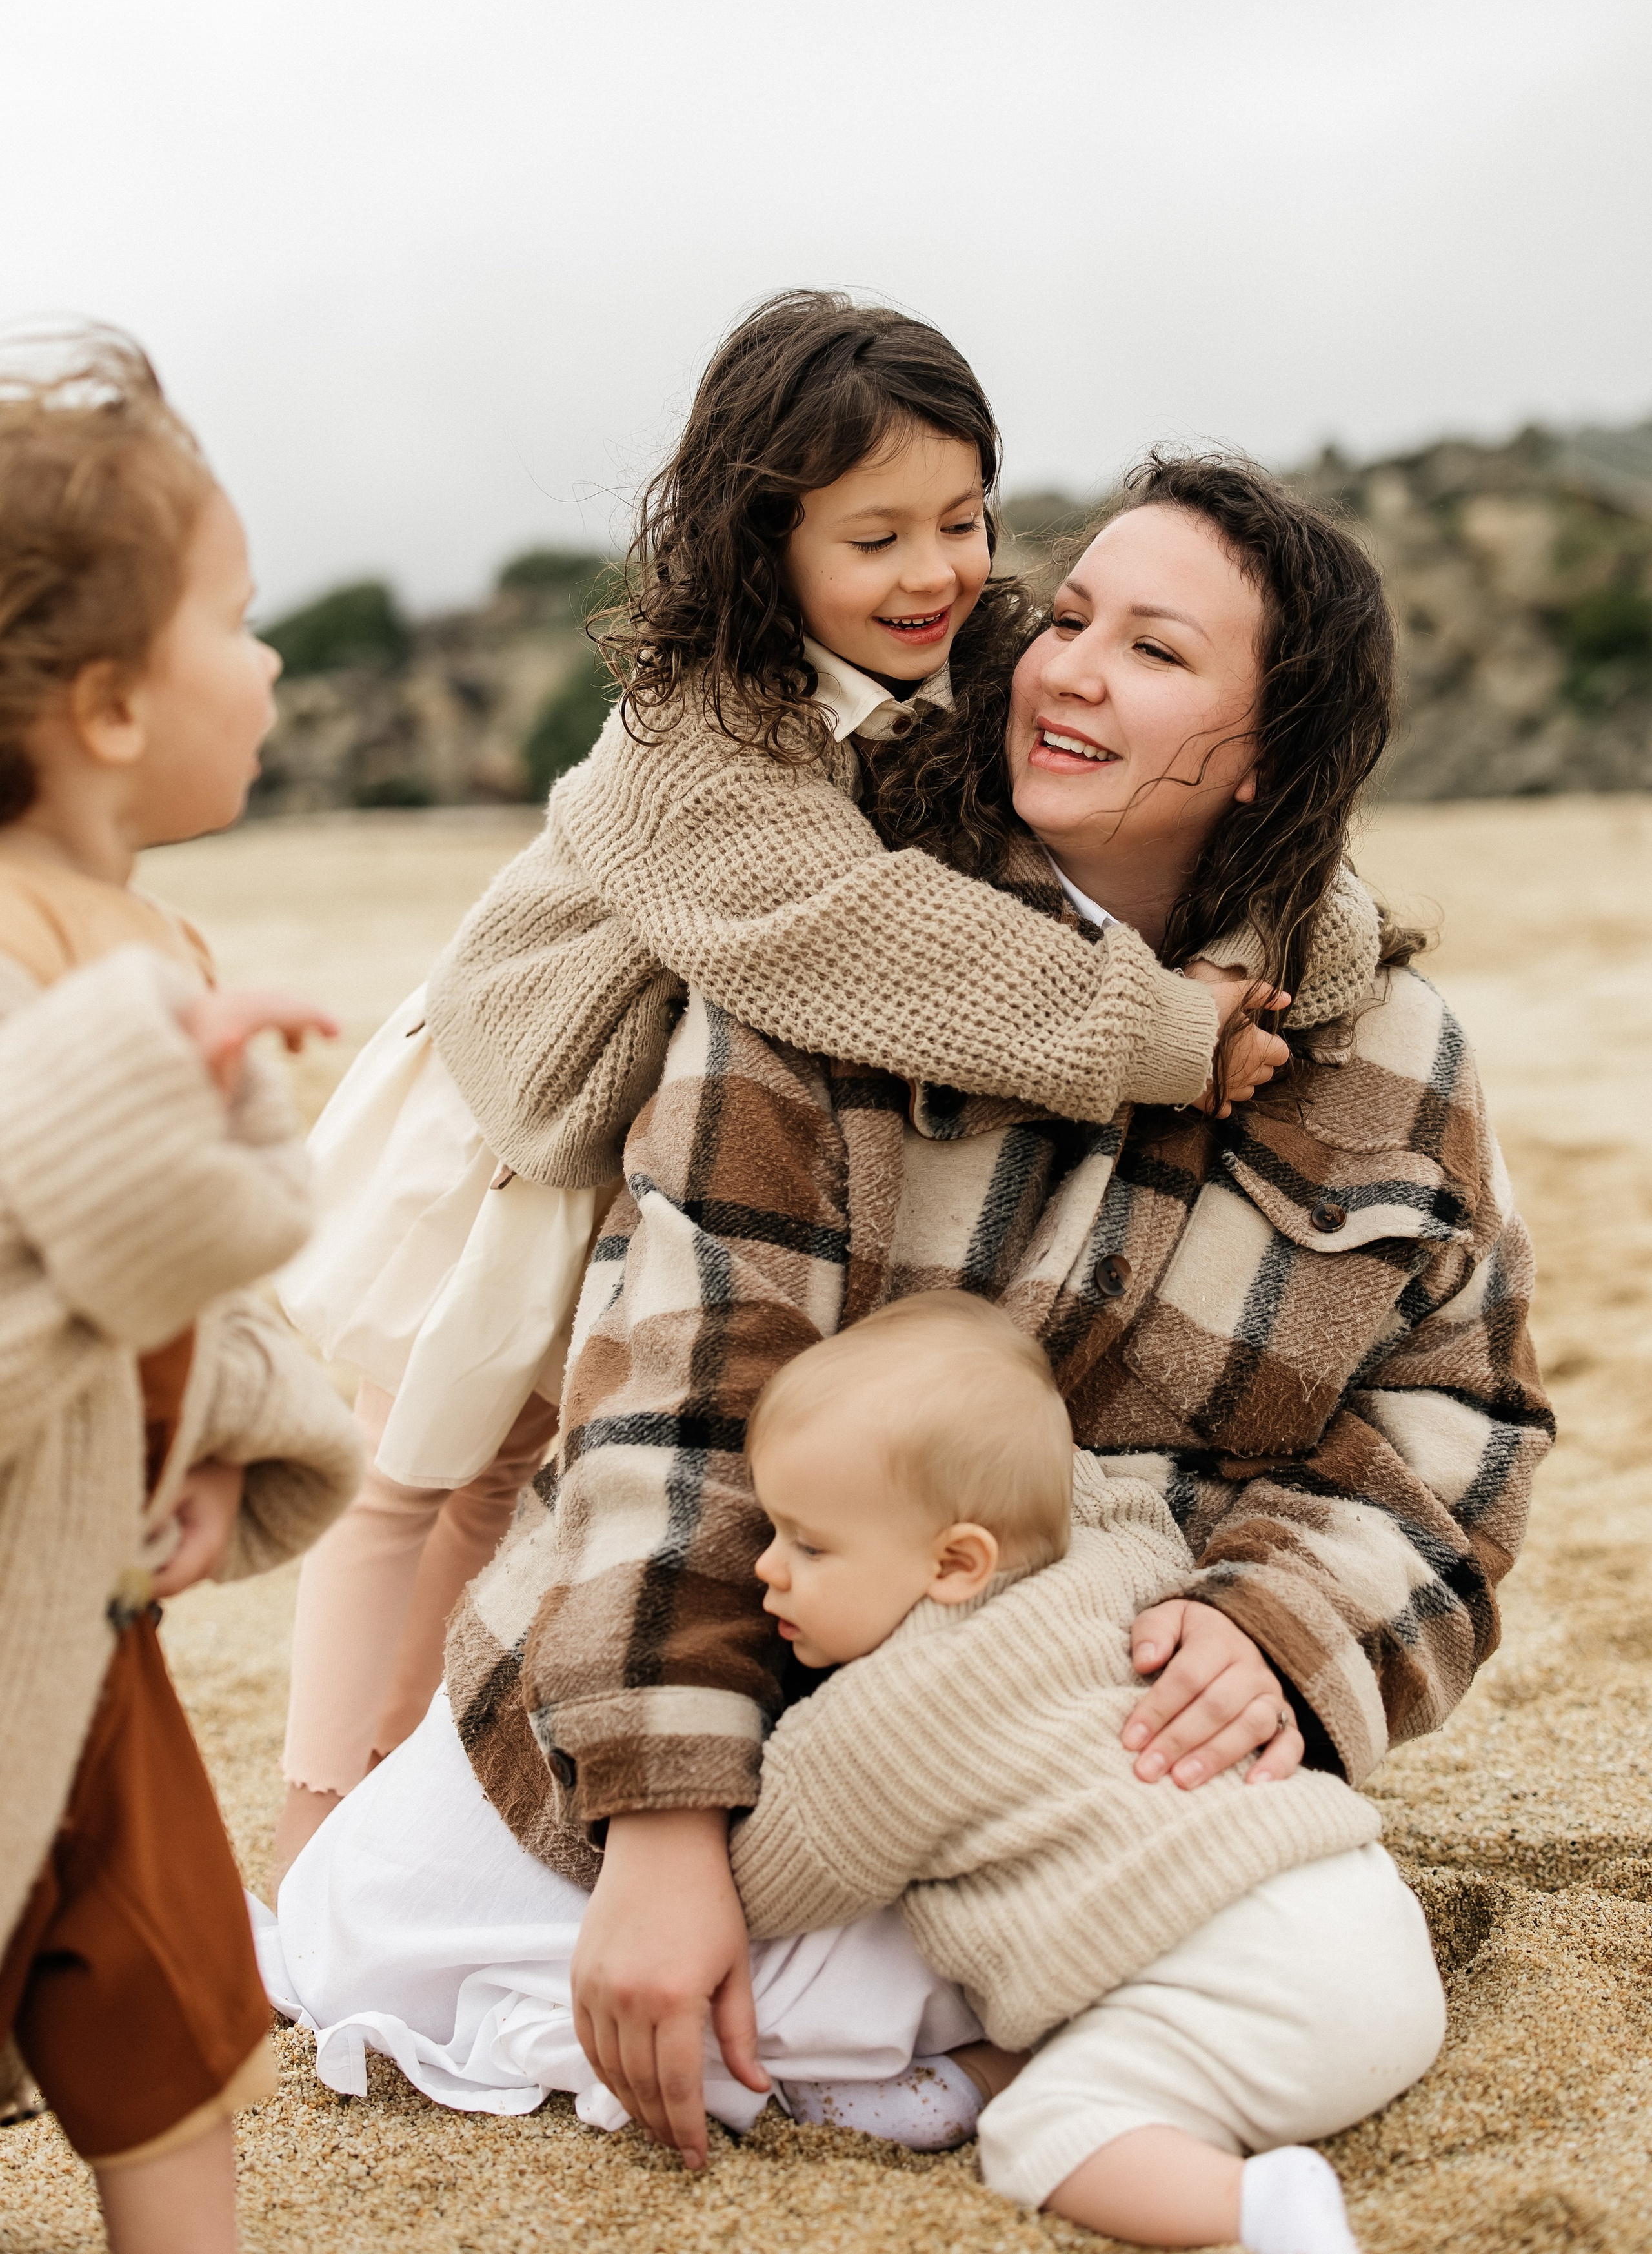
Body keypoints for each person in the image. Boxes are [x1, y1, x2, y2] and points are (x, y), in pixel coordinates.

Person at [271, 453, 1551, 2218]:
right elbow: (684, 1387)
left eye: (1155, 650)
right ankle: (950, 2036)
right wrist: (661, 1817)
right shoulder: (857, 950)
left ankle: (991, 2024)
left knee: (1335, 1972)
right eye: (1074, 613)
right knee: (363, 1936)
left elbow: (1458, 1420)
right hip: (770, 1669)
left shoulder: (1394, 1053)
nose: (1069, 666)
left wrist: (1284, 1626)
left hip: (1078, 1751)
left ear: (1266, 755)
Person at [274, 291, 1380, 1879]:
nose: (936, 572)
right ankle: (316, 1824)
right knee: (417, 1467)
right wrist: (1161, 1033)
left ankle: (405, 1788)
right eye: (875, 539)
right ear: (763, 542)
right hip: (530, 1108)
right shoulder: (699, 727)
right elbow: (857, 932)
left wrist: (1258, 955)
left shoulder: (988, 648)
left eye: (963, 518)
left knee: (512, 1480)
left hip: (698, 1105)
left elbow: (1240, 842)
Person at [0, 332, 362, 2254]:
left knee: (172, 2007)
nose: (276, 657)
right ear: (114, 705)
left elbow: (203, 1284)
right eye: (238, 615)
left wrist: (224, 1437)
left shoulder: (164, 931)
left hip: (112, 1615)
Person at [732, 1291, 1443, 2252]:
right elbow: (1102, 1487)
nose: (767, 1569)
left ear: (956, 1561)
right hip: (1370, 1920)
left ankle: (1261, 2210)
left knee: (1044, 2137)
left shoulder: (870, 1733)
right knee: (1095, 2016)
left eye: (809, 1543)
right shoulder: (1123, 1559)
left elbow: (759, 1887)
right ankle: (979, 2070)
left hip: (1241, 1998)